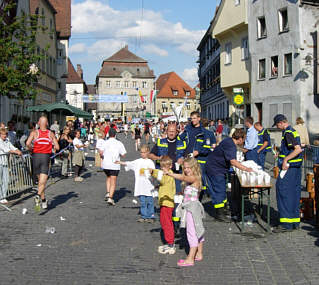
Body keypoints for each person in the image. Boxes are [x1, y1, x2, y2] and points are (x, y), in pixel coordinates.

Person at [205, 129, 253, 222]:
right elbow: (233, 161)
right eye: (243, 140)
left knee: (222, 189)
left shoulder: (228, 141)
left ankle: (222, 210)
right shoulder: (231, 145)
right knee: (219, 190)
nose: (243, 142)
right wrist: (246, 169)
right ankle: (220, 214)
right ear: (240, 138)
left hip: (216, 167)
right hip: (215, 169)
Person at [163, 157, 204, 267]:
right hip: (194, 207)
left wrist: (170, 174)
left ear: (194, 167)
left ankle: (190, 258)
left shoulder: (193, 178)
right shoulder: (195, 179)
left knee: (191, 233)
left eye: (188, 168)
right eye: (184, 168)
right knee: (197, 230)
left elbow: (183, 177)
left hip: (191, 209)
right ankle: (199, 253)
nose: (186, 170)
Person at [272, 114, 303, 233]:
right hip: (296, 168)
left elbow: (297, 149)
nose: (278, 127)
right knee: (294, 193)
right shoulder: (293, 131)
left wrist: (285, 160)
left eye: (277, 125)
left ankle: (286, 223)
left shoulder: (288, 133)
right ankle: (295, 221)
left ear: (281, 123)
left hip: (289, 168)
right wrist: (281, 154)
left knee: (283, 191)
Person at [26, 116, 59, 210]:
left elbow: (28, 143)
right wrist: (52, 148)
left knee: (40, 181)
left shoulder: (34, 132)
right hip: (45, 157)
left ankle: (43, 200)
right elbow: (57, 147)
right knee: (43, 182)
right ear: (47, 123)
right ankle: (38, 195)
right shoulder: (50, 134)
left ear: (38, 123)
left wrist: (31, 149)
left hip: (35, 157)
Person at [179, 111, 215, 193]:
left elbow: (209, 149)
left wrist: (198, 152)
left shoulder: (206, 133)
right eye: (191, 118)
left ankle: (199, 198)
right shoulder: (187, 130)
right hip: (188, 158)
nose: (193, 120)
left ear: (199, 119)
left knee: (199, 181)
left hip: (200, 160)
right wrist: (181, 154)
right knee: (187, 180)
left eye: (194, 118)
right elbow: (179, 141)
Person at [116, 145, 155, 221]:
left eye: (144, 152)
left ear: (148, 153)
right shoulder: (138, 161)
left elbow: (153, 172)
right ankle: (144, 216)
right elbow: (129, 163)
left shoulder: (150, 162)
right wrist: (120, 162)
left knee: (150, 201)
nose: (142, 154)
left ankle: (151, 215)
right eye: (141, 152)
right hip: (140, 186)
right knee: (143, 202)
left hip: (149, 186)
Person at [151, 156, 176, 255]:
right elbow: (163, 183)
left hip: (167, 203)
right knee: (163, 221)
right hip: (164, 202)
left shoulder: (169, 175)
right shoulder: (167, 174)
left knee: (167, 223)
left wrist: (153, 172)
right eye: (162, 167)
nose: (163, 169)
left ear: (170, 166)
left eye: (165, 167)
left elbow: (162, 179)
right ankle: (169, 241)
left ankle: (170, 243)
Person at [99, 128, 126, 205]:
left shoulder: (105, 142)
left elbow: (100, 152)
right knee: (113, 181)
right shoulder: (119, 143)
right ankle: (110, 198)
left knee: (108, 177)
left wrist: (104, 155)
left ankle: (108, 193)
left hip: (105, 164)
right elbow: (123, 154)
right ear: (115, 134)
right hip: (114, 164)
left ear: (108, 134)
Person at [0, 128, 22, 204]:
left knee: (6, 180)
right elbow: (5, 149)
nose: (5, 136)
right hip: (0, 162)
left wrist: (17, 150)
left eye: (5, 134)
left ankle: (3, 196)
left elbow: (11, 146)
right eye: (3, 134)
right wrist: (15, 152)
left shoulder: (7, 140)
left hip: (5, 162)